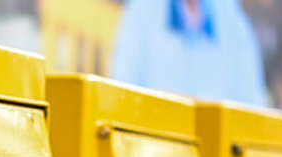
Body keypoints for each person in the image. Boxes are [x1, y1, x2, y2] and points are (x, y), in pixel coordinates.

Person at [112, 0, 268, 106]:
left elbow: (251, 104)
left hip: (217, 150)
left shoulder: (233, 21)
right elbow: (123, 92)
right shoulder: (143, 10)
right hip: (151, 146)